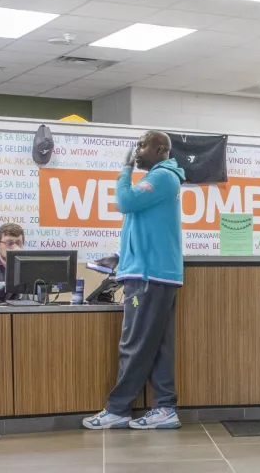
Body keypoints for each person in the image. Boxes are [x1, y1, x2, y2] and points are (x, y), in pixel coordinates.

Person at [83, 131, 186, 431]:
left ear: (160, 149)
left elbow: (126, 201)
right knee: (157, 346)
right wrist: (119, 257)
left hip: (149, 276)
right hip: (153, 272)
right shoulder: (162, 178)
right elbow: (144, 226)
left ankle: (117, 409)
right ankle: (165, 408)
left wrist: (125, 169)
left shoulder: (164, 176)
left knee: (135, 344)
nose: (137, 151)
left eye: (142, 146)